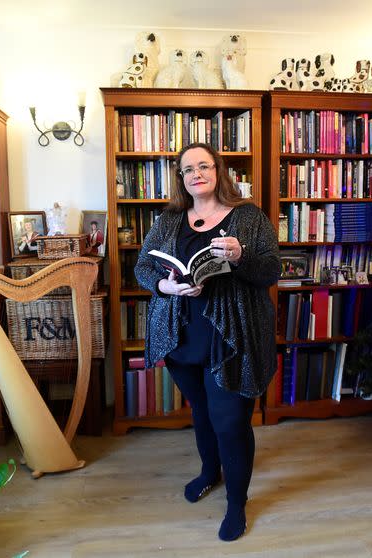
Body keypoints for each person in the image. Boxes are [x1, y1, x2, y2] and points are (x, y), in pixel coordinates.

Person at [134, 142, 280, 541]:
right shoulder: (169, 219)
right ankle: (208, 473)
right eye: (187, 169)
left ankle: (237, 503)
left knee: (230, 422)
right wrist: (164, 284)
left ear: (218, 171)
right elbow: (143, 266)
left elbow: (271, 270)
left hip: (232, 339)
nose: (196, 173)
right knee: (201, 412)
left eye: (204, 166)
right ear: (181, 178)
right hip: (182, 336)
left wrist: (240, 256)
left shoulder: (248, 217)